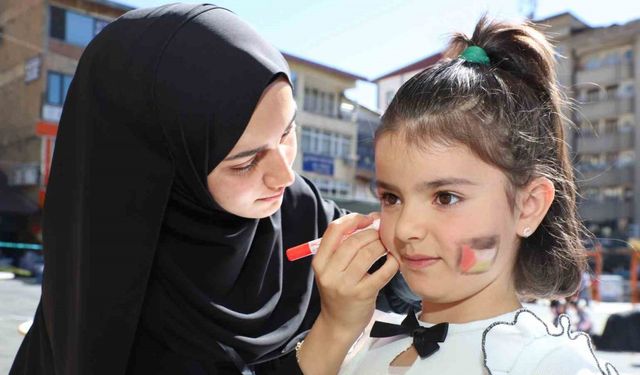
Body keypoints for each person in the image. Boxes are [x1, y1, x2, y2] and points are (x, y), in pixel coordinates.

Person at [9, 4, 407, 375]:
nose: (284, 176)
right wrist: (335, 328)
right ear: (166, 170)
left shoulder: (299, 211)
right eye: (246, 161)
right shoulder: (113, 303)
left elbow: (414, 277)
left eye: (287, 132)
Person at [295, 18, 619, 375]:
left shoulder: (548, 365)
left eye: (445, 197)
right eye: (391, 198)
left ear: (528, 207)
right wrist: (335, 327)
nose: (405, 229)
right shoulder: (363, 344)